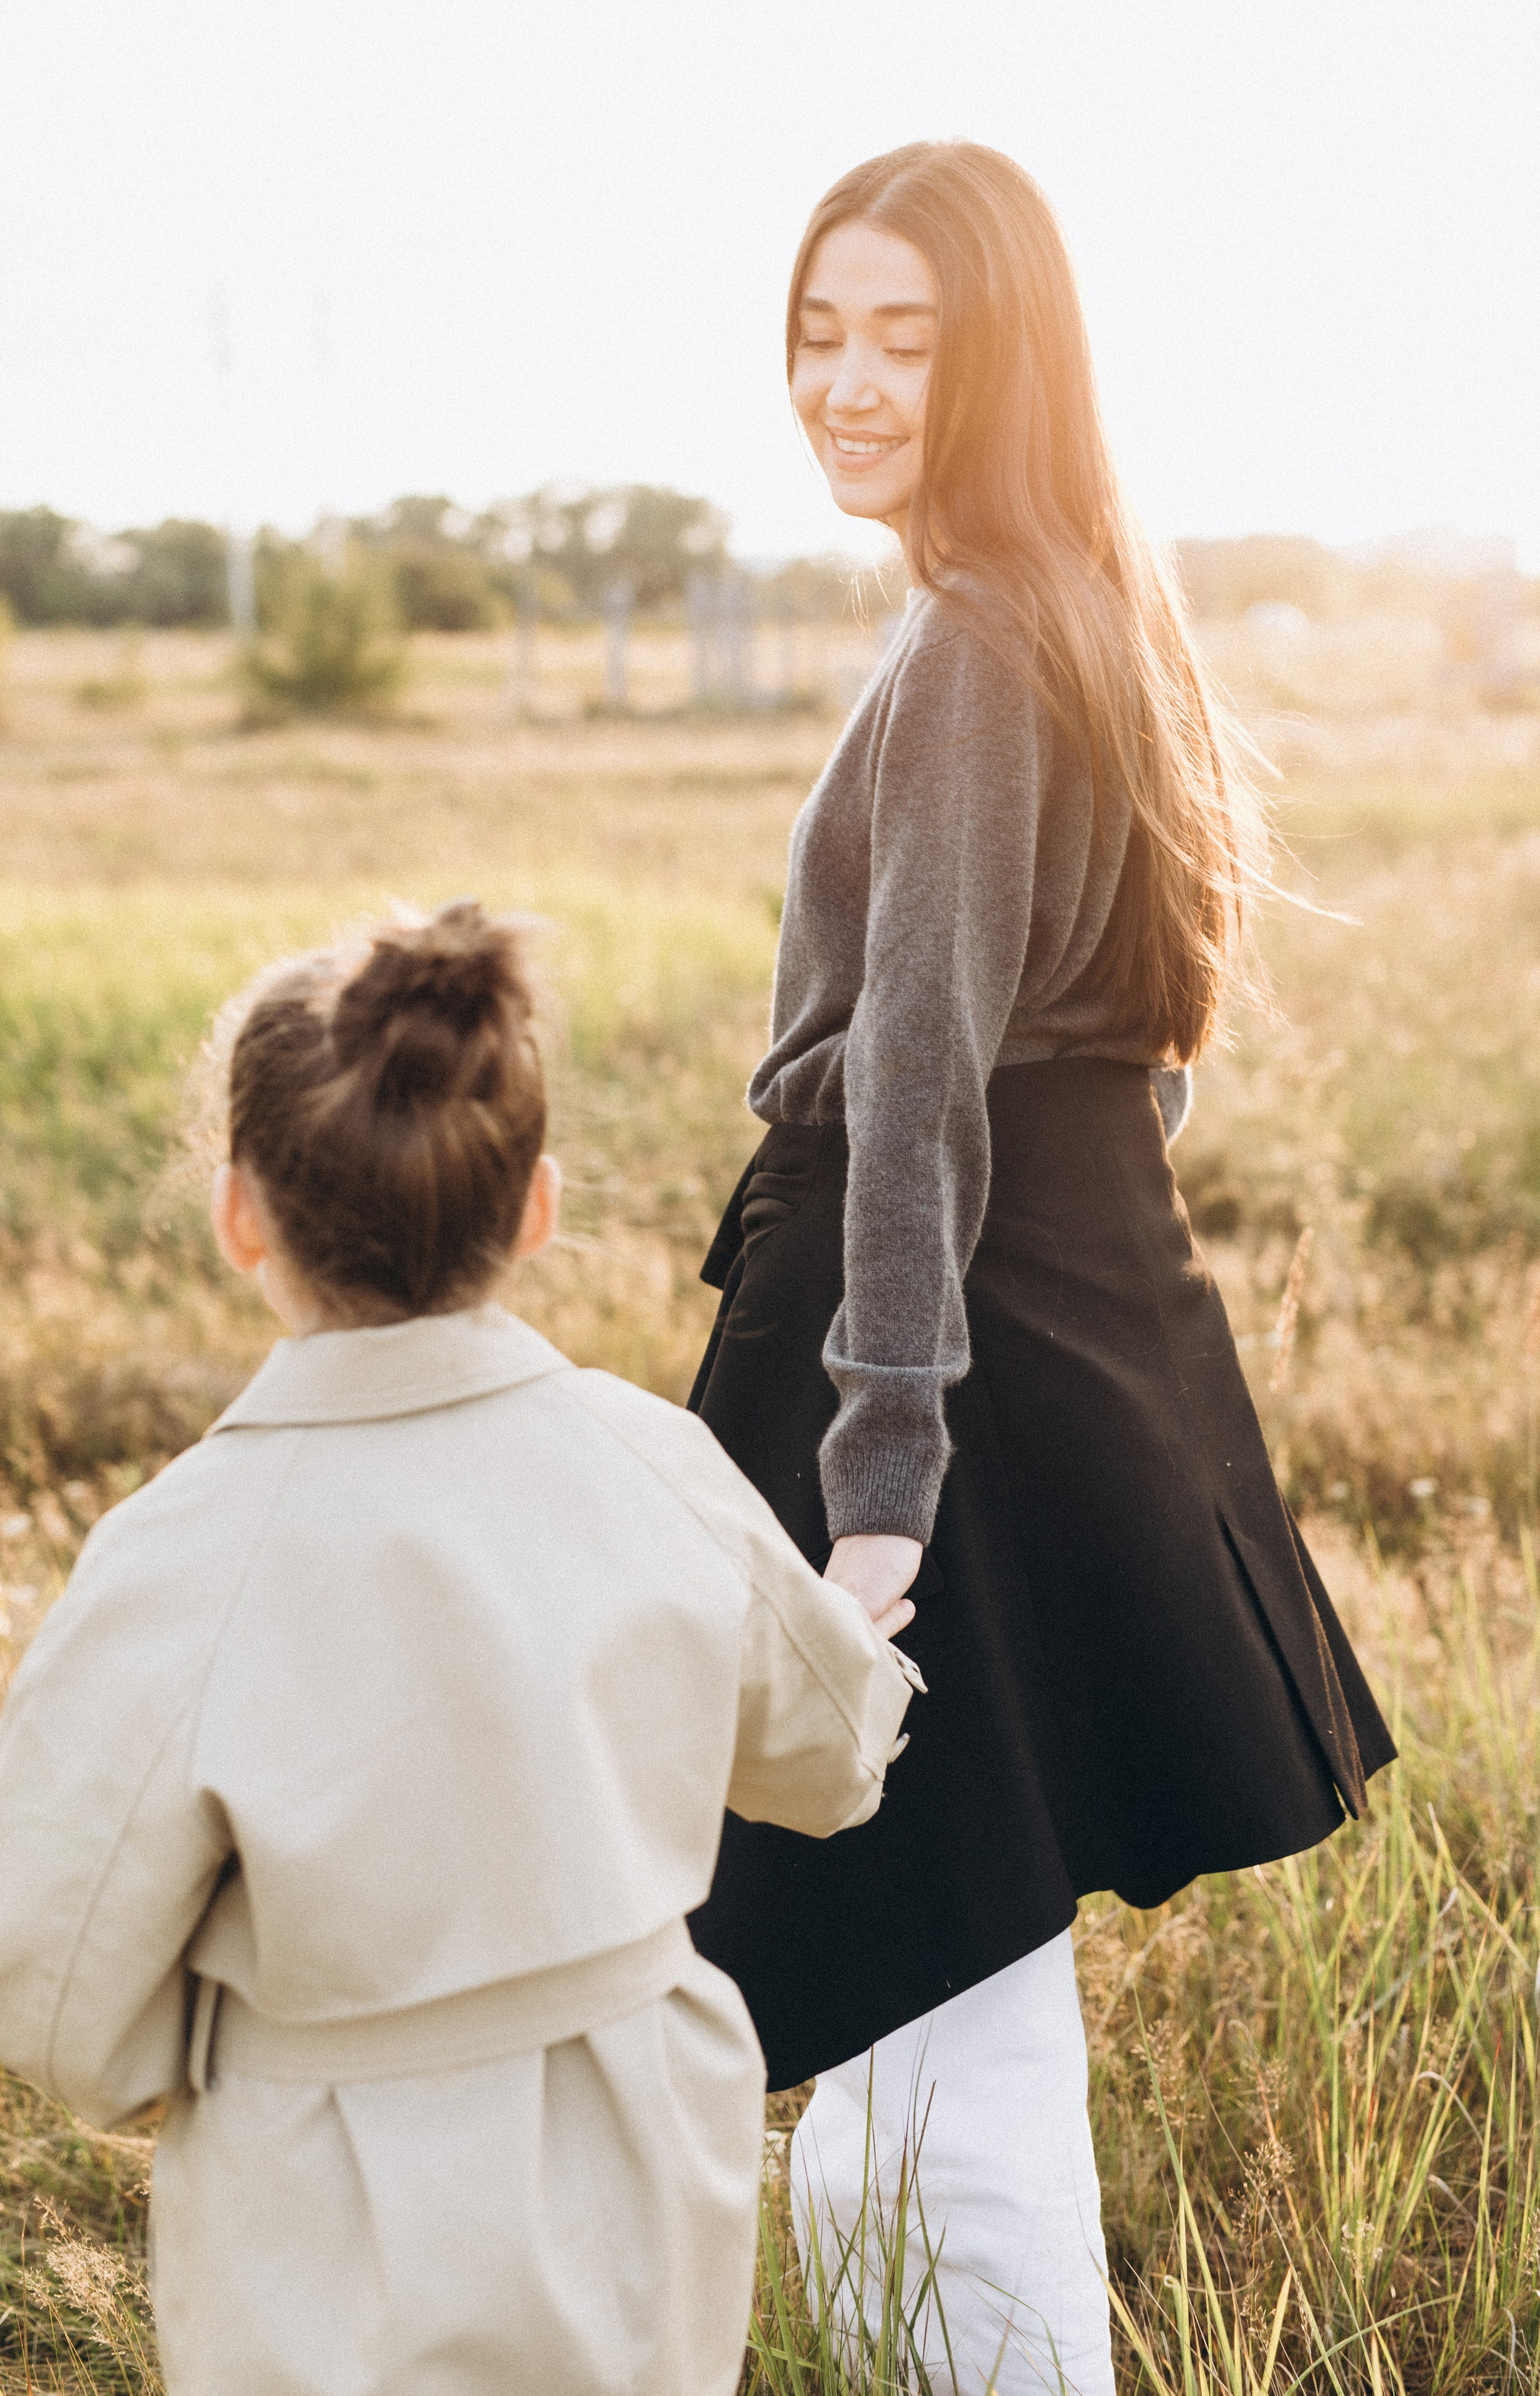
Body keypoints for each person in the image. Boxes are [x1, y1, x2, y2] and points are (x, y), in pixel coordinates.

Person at [685, 142, 1395, 2395]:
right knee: (937, 1977)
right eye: (821, 329)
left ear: (1005, 360)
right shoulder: (1075, 602)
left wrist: (883, 1474)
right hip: (1050, 1316)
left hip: (921, 1367)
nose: (845, 380)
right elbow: (1122, 1064)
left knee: (922, 1975)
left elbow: (924, 1077)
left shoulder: (985, 637)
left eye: (905, 337)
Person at [0, 901, 922, 2396]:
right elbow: (830, 1758)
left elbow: (39, 1978)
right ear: (534, 1206)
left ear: (237, 1216)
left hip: (326, 2202)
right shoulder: (648, 1462)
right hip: (642, 2162)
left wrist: (216, 2044)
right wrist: (856, 1643)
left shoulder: (183, 1551)